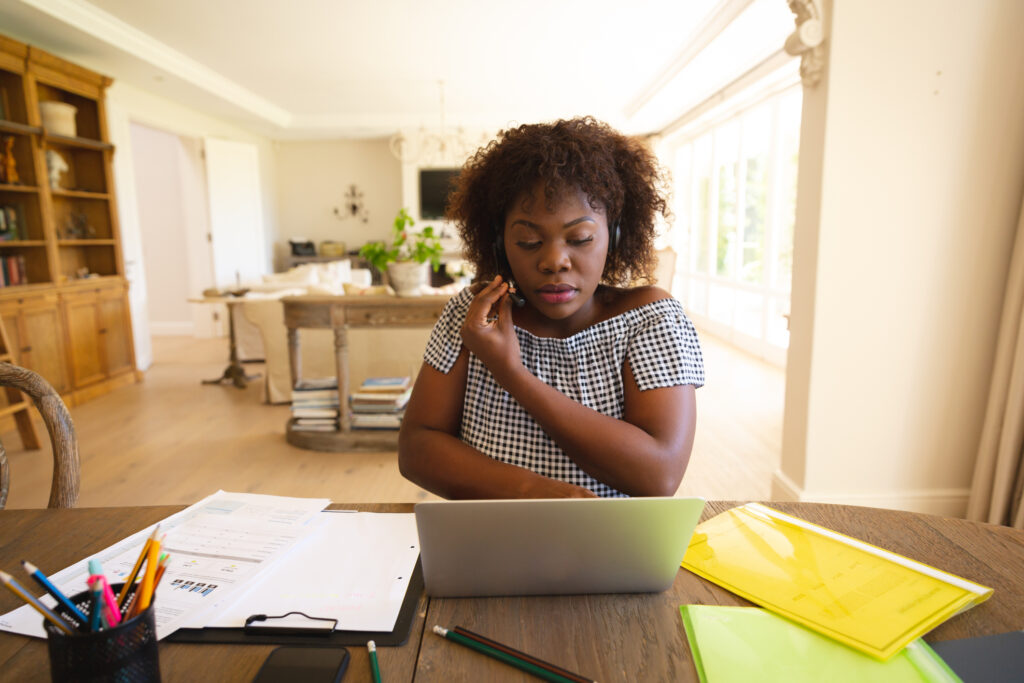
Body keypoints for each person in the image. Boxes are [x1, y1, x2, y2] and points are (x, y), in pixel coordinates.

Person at [398, 117, 704, 499]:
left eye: (580, 238)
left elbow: (658, 476)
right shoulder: (474, 315)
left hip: (607, 549)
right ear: (499, 245)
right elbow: (416, 449)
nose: (554, 261)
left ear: (615, 235)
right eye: (528, 241)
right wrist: (535, 493)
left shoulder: (651, 319)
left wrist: (512, 374)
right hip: (491, 544)